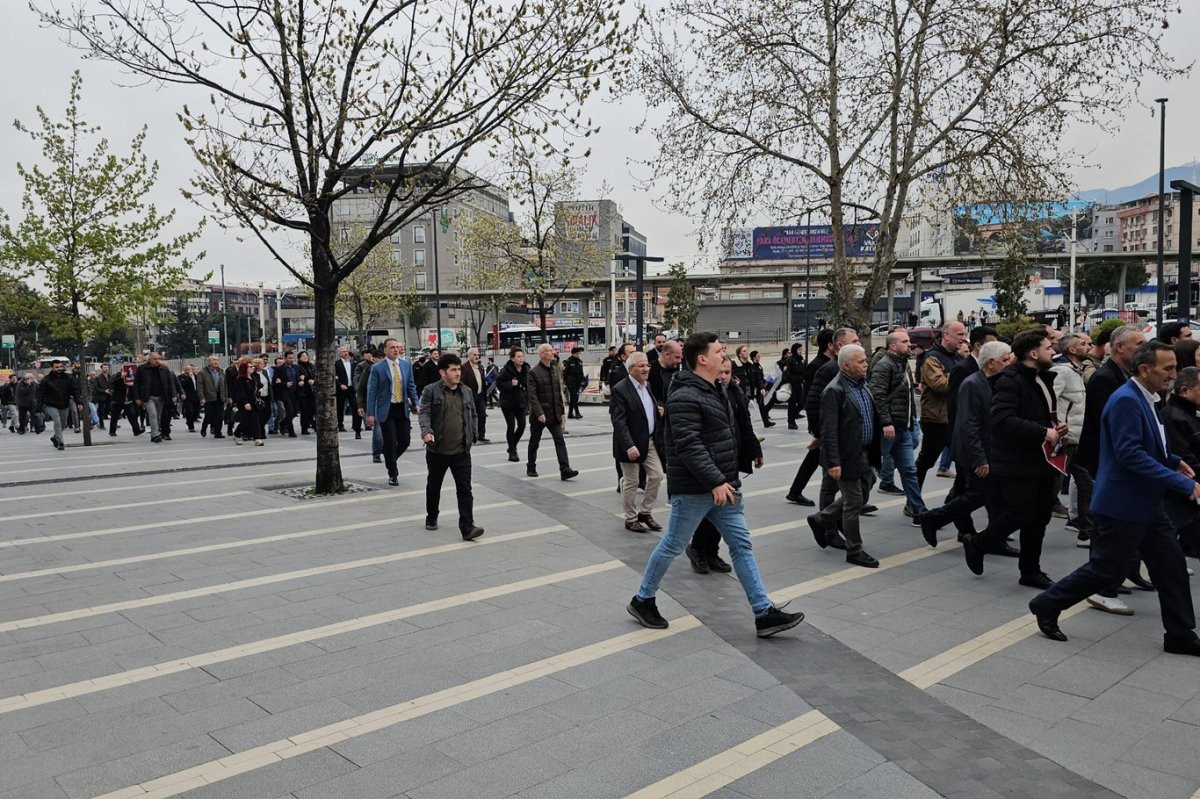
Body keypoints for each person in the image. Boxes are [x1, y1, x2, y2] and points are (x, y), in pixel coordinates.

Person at [626, 332, 804, 638]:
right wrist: (716, 481)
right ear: (702, 359)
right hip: (696, 489)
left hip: (724, 486)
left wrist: (745, 458)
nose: (725, 355)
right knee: (672, 545)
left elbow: (728, 434)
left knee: (741, 546)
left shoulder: (715, 389)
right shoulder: (684, 395)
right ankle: (643, 600)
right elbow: (689, 445)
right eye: (719, 351)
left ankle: (763, 613)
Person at [1030, 340, 1200, 656]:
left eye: (1175, 367)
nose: (1174, 374)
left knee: (1172, 566)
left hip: (1148, 504)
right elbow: (1129, 454)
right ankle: (1046, 603)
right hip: (1122, 503)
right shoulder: (1125, 400)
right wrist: (1178, 481)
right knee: (1106, 570)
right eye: (1168, 368)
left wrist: (1173, 460)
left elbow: (1148, 444)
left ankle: (1180, 635)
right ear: (1145, 369)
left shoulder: (1147, 397)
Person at [967, 329, 1064, 588]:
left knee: (1040, 516)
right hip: (1016, 462)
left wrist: (1054, 428)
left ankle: (1030, 571)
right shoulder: (1010, 380)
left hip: (1041, 460)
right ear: (1033, 353)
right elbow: (1001, 420)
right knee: (1021, 513)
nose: (1053, 351)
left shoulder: (1040, 378)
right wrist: (1044, 431)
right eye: (1048, 347)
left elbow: (1036, 414)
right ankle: (977, 542)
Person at [1076, 324, 1153, 595]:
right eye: (1140, 344)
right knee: (1106, 520)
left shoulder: (1128, 375)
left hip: (1120, 460)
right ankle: (1102, 579)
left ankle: (1129, 569)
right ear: (1120, 347)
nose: (1146, 350)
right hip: (1105, 459)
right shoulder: (1105, 378)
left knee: (1128, 519)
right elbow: (1107, 425)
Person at [920, 341, 1015, 548]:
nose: (1009, 364)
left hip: (991, 450)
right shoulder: (973, 384)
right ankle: (934, 518)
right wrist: (979, 458)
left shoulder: (995, 382)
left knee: (992, 497)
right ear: (990, 363)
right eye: (1005, 360)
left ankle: (994, 539)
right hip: (976, 451)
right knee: (978, 495)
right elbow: (969, 424)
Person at [807, 344, 882, 568]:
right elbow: (829, 429)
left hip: (865, 453)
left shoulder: (862, 385)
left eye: (865, 360)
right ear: (847, 365)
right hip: (846, 455)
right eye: (861, 362)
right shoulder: (834, 390)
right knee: (854, 501)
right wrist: (834, 462)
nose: (866, 364)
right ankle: (854, 549)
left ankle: (821, 519)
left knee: (864, 493)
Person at [687, 355, 763, 576]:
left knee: (724, 508)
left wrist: (754, 450)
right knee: (712, 508)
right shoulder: (702, 394)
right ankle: (698, 549)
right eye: (720, 372)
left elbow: (745, 424)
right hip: (711, 461)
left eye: (727, 373)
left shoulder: (734, 393)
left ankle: (710, 551)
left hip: (731, 457)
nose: (723, 377)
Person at [419, 352, 485, 541]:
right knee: (434, 486)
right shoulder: (430, 391)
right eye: (453, 370)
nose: (458, 373)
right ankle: (432, 515)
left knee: (465, 489)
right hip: (437, 449)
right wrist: (426, 432)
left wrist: (473, 433)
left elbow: (472, 413)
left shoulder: (466, 391)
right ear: (442, 372)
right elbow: (423, 413)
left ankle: (467, 527)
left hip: (461, 451)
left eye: (459, 369)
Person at [868, 328, 925, 523]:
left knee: (909, 470)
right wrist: (886, 422)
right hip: (888, 430)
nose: (910, 344)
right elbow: (878, 396)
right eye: (905, 341)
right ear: (893, 345)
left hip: (903, 429)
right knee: (866, 472)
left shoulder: (904, 365)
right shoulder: (884, 366)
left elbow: (908, 396)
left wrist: (911, 421)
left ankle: (919, 511)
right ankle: (846, 505)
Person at [610, 352, 665, 533]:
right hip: (630, 444)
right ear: (630, 369)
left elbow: (645, 410)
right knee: (632, 482)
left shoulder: (646, 386)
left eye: (647, 365)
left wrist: (657, 411)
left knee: (657, 475)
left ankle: (645, 512)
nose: (646, 369)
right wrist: (629, 445)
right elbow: (619, 421)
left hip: (648, 441)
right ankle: (631, 518)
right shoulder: (620, 389)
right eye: (641, 366)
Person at [916, 321, 966, 487]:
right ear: (946, 335)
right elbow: (939, 384)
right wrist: (959, 377)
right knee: (926, 461)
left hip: (956, 418)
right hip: (936, 419)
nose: (963, 339)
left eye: (964, 335)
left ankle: (955, 501)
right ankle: (913, 501)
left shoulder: (958, 358)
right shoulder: (932, 357)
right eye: (960, 335)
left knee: (964, 461)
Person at [366, 338, 421, 486]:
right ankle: (393, 473)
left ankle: (390, 457)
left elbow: (411, 386)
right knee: (390, 441)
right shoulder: (377, 368)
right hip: (386, 409)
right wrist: (370, 413)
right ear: (385, 350)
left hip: (401, 408)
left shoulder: (405, 364)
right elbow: (371, 392)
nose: (396, 350)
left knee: (405, 440)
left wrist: (416, 403)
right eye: (392, 347)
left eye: (397, 347)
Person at [1052, 333, 1090, 529]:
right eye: (1083, 344)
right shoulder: (1062, 371)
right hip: (1065, 438)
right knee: (1052, 485)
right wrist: (1059, 430)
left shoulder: (1076, 370)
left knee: (1085, 482)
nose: (1088, 346)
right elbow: (1052, 402)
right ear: (1072, 350)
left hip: (1075, 437)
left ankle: (1082, 526)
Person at [526, 343, 578, 480]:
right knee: (534, 441)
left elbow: (557, 391)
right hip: (540, 414)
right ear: (542, 354)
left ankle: (565, 469)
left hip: (554, 412)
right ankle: (531, 466)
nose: (552, 352)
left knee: (560, 440)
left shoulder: (554, 368)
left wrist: (561, 411)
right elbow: (532, 395)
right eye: (548, 350)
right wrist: (539, 412)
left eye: (552, 350)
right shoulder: (533, 372)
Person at [1163, 366, 1200, 559]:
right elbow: (1186, 459)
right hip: (1180, 492)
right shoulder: (1174, 416)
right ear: (1185, 391)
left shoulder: (1189, 414)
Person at [133, 352, 178, 444]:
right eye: (155, 359)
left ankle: (156, 432)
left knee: (158, 415)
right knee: (152, 415)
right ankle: (155, 435)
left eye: (158, 359)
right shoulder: (142, 369)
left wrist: (174, 394)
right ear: (149, 359)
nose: (157, 361)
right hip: (148, 396)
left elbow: (171, 382)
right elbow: (136, 384)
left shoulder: (164, 369)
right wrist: (137, 397)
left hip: (161, 396)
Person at [37, 360, 81, 451]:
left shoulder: (69, 378)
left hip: (64, 403)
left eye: (61, 366)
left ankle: (55, 437)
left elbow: (75, 391)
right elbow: (40, 395)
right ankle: (60, 442)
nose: (59, 369)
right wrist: (39, 408)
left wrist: (79, 402)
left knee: (63, 424)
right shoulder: (46, 380)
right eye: (57, 367)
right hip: (51, 404)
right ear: (52, 368)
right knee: (57, 422)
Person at [497, 347, 529, 462]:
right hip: (508, 402)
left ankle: (511, 447)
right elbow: (499, 384)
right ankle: (513, 452)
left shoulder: (526, 368)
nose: (521, 359)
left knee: (522, 425)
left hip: (520, 401)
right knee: (511, 426)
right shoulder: (506, 369)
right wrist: (510, 383)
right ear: (512, 358)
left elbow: (528, 383)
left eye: (522, 356)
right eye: (518, 357)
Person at [458, 347, 491, 442]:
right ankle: (471, 434)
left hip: (480, 395)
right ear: (469, 356)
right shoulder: (464, 367)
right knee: (470, 416)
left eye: (478, 355)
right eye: (474, 355)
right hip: (470, 396)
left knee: (482, 415)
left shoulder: (480, 367)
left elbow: (482, 381)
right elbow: (462, 382)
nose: (477, 356)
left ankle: (481, 434)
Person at [354, 349, 382, 461]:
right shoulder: (367, 370)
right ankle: (376, 453)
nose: (380, 360)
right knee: (378, 430)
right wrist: (360, 405)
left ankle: (388, 451)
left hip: (389, 403)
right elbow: (360, 388)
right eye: (378, 358)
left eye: (382, 358)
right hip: (374, 403)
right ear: (373, 359)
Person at [231, 359, 265, 445]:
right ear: (245, 368)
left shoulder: (253, 377)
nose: (252, 368)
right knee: (245, 421)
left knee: (255, 420)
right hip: (244, 403)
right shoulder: (240, 379)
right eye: (250, 367)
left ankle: (257, 438)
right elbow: (240, 393)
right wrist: (245, 402)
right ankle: (237, 434)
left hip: (254, 402)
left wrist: (259, 389)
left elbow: (258, 385)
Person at [197, 354, 229, 440]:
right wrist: (202, 397)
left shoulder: (221, 372)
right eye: (214, 360)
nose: (216, 361)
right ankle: (204, 427)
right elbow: (200, 386)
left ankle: (218, 432)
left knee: (220, 416)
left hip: (220, 397)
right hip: (209, 397)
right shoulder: (203, 372)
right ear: (209, 361)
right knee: (209, 415)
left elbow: (225, 385)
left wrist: (226, 396)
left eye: (217, 360)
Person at [273, 351, 299, 437]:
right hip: (285, 393)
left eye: (292, 358)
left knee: (295, 412)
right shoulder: (279, 369)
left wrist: (301, 380)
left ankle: (283, 423)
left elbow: (299, 377)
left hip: (295, 393)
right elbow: (275, 381)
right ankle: (291, 431)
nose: (291, 360)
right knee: (290, 411)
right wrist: (284, 384)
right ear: (285, 359)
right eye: (289, 358)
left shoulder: (296, 367)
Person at [649, 339, 682, 404]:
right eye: (677, 357)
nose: (679, 361)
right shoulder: (650, 370)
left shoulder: (679, 370)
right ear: (667, 355)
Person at [335, 347, 357, 433]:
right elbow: (334, 377)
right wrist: (340, 385)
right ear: (339, 354)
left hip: (351, 388)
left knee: (355, 407)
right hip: (342, 389)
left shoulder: (353, 363)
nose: (346, 353)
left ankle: (355, 425)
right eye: (343, 352)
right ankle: (340, 425)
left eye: (347, 351)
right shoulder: (337, 364)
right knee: (340, 408)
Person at [296, 351, 317, 434]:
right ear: (299, 358)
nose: (305, 357)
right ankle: (304, 428)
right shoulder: (298, 367)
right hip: (303, 392)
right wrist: (301, 380)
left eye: (306, 355)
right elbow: (297, 377)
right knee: (304, 411)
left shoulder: (311, 366)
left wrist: (314, 380)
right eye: (303, 356)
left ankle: (313, 423)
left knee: (313, 410)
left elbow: (316, 375)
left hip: (312, 391)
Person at [562, 346, 586, 420]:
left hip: (578, 382)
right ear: (573, 353)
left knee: (574, 398)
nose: (578, 355)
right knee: (574, 396)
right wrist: (565, 382)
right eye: (577, 353)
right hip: (571, 382)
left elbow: (581, 372)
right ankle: (577, 412)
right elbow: (565, 373)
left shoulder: (580, 361)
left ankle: (570, 414)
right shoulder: (568, 361)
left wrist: (582, 380)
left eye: (579, 353)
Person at [179, 364, 201, 432]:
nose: (189, 371)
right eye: (187, 369)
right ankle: (191, 426)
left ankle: (191, 420)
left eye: (190, 369)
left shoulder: (196, 376)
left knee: (196, 410)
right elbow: (182, 385)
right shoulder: (181, 377)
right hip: (187, 397)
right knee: (189, 411)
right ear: (185, 370)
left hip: (196, 396)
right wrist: (189, 377)